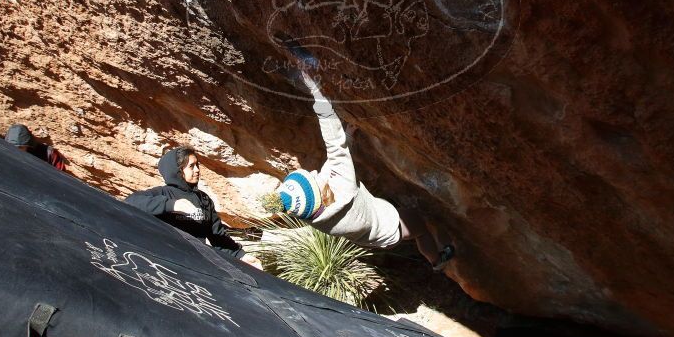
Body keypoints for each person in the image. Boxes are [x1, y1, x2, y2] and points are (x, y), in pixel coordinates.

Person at [263, 72, 454, 271]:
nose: (312, 173)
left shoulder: (314, 214)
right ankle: (437, 261)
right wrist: (315, 90)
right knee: (419, 227)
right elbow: (335, 145)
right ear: (319, 196)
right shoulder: (344, 193)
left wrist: (348, 136)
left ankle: (434, 258)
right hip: (390, 227)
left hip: (371, 235)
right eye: (312, 180)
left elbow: (331, 168)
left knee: (413, 224)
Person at [125, 146, 262, 270]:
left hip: (196, 265)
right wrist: (172, 205)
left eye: (197, 165)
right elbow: (131, 202)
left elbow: (218, 236)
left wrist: (241, 256)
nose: (197, 170)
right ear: (178, 171)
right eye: (191, 166)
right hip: (164, 263)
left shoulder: (204, 199)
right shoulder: (163, 193)